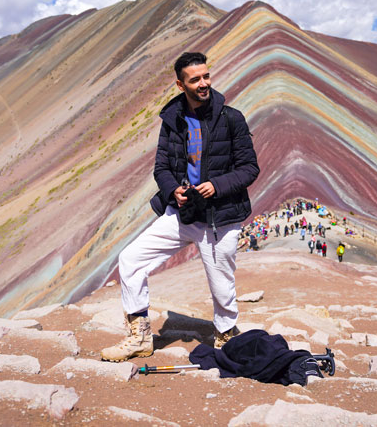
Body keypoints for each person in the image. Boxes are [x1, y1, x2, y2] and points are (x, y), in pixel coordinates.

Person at [101, 52, 260, 362]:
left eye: (206, 76)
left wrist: (216, 186)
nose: (203, 83)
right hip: (182, 214)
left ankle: (225, 337)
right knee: (131, 259)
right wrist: (173, 190)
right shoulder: (173, 119)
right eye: (195, 79)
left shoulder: (231, 118)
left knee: (222, 285)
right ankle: (139, 337)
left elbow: (249, 168)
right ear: (180, 84)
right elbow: (161, 167)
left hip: (219, 218)